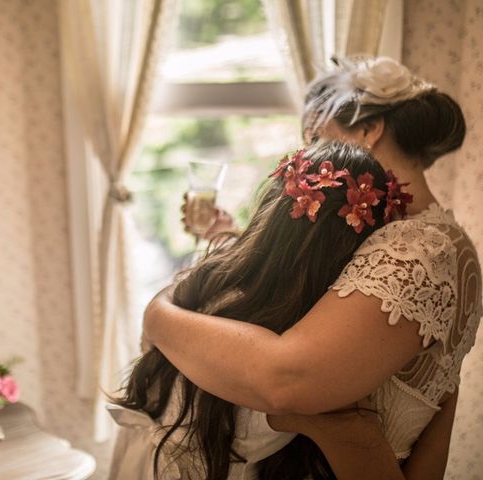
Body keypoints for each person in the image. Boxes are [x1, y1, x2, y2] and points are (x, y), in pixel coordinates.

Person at [143, 56, 482, 479]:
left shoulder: (415, 251)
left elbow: (284, 377)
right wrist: (229, 239)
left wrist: (158, 315)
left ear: (367, 130)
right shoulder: (434, 241)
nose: (311, 154)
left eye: (315, 137)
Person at [109, 141, 421, 479]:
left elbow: (259, 264)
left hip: (134, 460)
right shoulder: (313, 374)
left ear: (270, 212)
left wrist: (158, 311)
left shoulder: (210, 286)